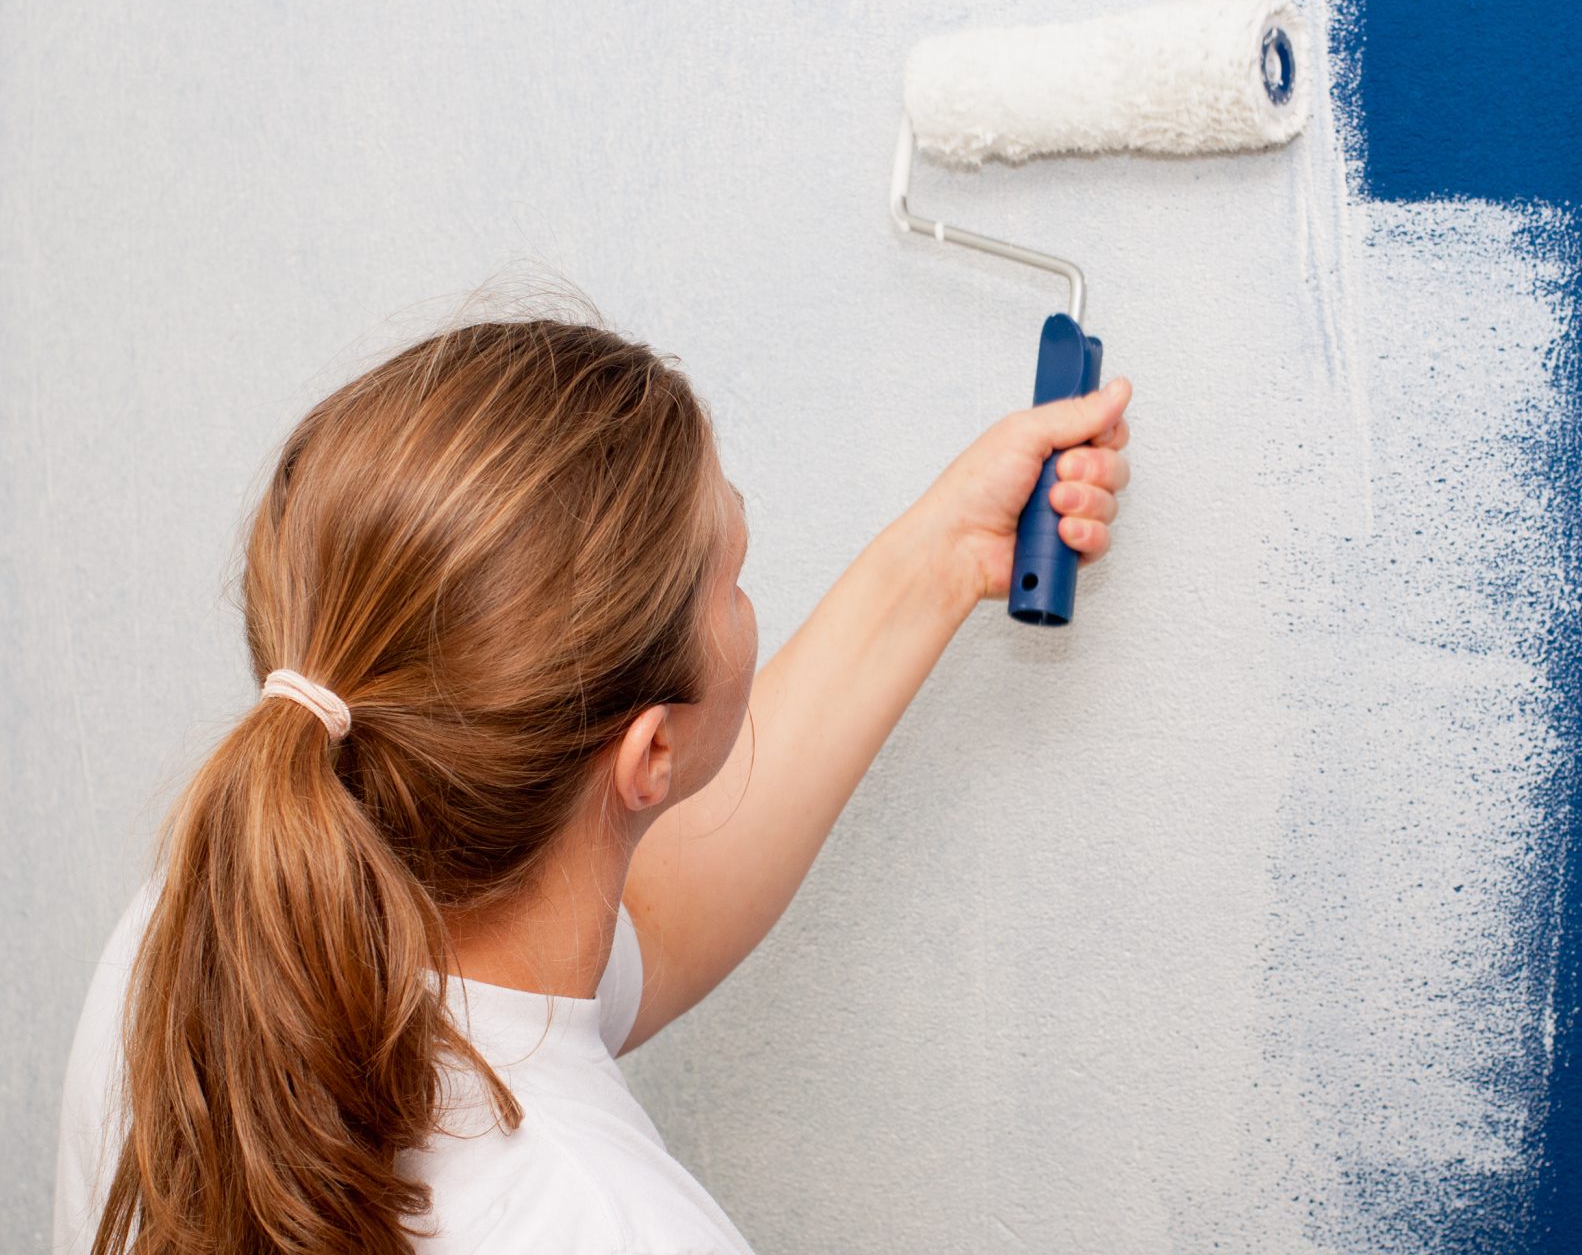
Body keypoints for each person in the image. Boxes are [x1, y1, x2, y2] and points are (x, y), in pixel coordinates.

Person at [51, 315, 1132, 1254]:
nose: (744, 596)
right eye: (735, 579)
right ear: (650, 757)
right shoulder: (621, 1229)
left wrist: (943, 556)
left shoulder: (209, 941)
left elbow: (648, 929)